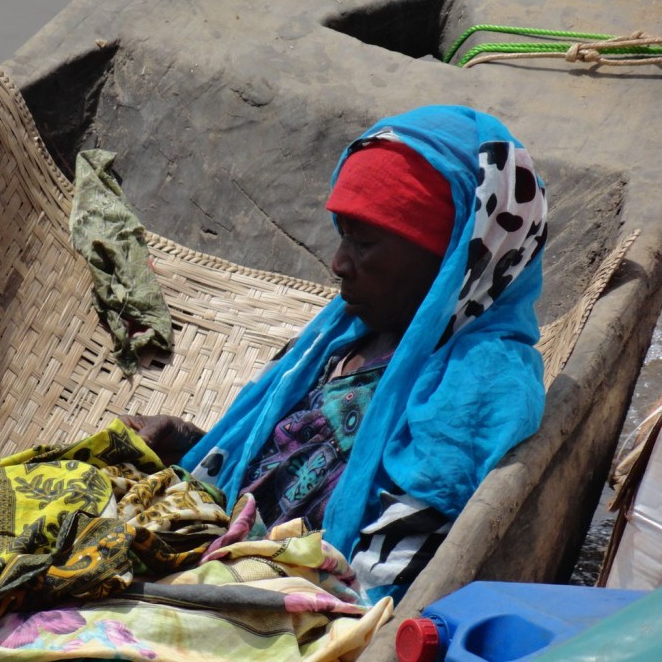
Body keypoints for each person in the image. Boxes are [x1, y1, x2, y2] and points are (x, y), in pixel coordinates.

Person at [124, 104, 548, 601]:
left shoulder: (477, 385)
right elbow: (295, 467)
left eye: (364, 242)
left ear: (454, 257)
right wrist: (189, 442)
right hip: (221, 566)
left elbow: (380, 586)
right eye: (342, 233)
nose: (338, 262)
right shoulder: (349, 330)